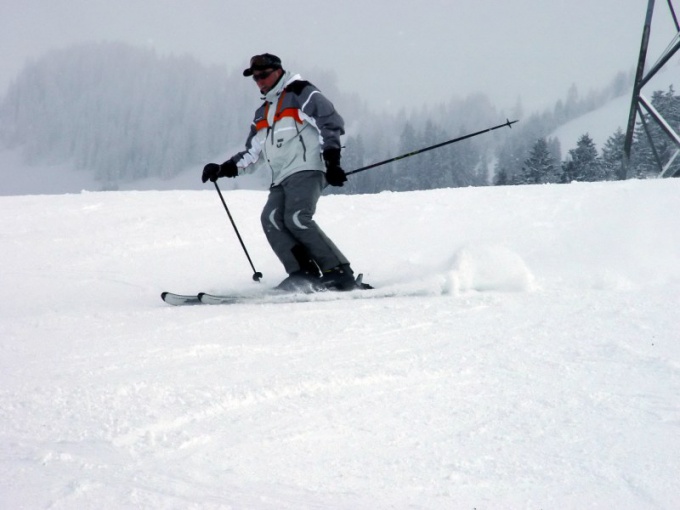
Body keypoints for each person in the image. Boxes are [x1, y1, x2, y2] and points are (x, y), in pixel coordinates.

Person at [202, 53, 359, 292]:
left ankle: (338, 272)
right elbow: (253, 153)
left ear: (278, 70)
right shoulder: (262, 113)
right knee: (272, 219)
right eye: (255, 78)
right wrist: (223, 169)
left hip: (307, 168)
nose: (260, 81)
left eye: (264, 75)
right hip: (281, 176)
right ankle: (303, 273)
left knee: (297, 218)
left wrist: (333, 161)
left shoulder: (300, 92)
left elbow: (329, 121)